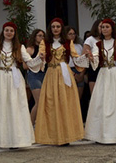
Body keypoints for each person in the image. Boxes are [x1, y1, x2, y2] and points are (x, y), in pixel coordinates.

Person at [0, 22, 42, 148]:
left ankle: (15, 140)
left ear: (14, 33)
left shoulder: (20, 47)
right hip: (0, 77)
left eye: (11, 31)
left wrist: (39, 58)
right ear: (3, 32)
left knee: (15, 106)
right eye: (7, 30)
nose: (9, 33)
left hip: (14, 78)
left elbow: (29, 62)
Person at [34, 18, 89, 146]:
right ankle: (52, 136)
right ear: (50, 28)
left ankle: (66, 135)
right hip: (51, 74)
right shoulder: (45, 42)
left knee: (65, 102)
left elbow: (75, 58)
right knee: (51, 103)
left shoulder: (68, 42)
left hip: (65, 73)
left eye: (58, 26)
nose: (55, 29)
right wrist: (41, 57)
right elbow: (40, 57)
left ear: (61, 28)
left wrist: (85, 57)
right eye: (53, 27)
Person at [25, 29, 45, 125]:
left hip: (44, 74)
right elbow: (25, 66)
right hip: (34, 75)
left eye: (43, 36)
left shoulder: (45, 49)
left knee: (45, 101)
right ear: (35, 36)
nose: (42, 38)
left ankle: (40, 123)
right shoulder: (30, 49)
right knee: (39, 101)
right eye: (39, 36)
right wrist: (37, 61)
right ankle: (30, 123)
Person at [83, 19, 102, 95]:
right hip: (94, 68)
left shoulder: (107, 40)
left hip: (105, 68)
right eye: (101, 26)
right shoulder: (90, 40)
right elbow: (84, 56)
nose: (103, 29)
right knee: (95, 94)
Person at [66, 26, 85, 98]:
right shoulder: (63, 46)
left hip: (79, 70)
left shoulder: (79, 46)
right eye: (70, 34)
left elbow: (83, 60)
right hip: (69, 70)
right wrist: (73, 74)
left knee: (79, 97)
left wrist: (82, 74)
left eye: (74, 34)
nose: (72, 36)